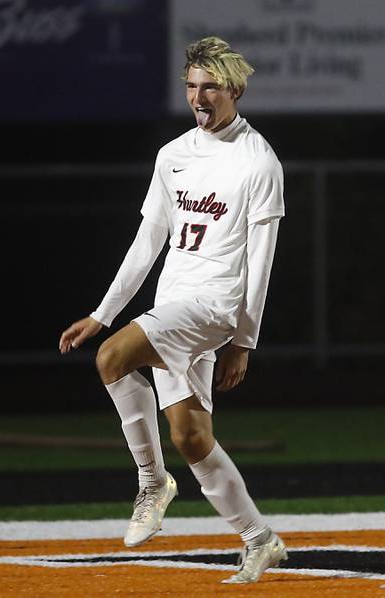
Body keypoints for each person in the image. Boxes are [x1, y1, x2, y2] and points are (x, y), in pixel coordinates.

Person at [59, 36, 286, 584]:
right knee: (190, 437)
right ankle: (261, 539)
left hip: (213, 306)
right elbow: (148, 241)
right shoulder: (174, 155)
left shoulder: (259, 162)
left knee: (112, 359)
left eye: (210, 86)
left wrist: (244, 341)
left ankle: (152, 481)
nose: (199, 96)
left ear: (233, 88)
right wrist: (104, 311)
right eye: (191, 86)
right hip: (173, 303)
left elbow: (261, 263)